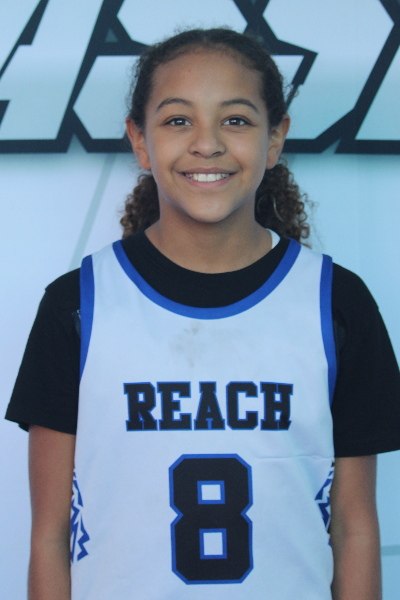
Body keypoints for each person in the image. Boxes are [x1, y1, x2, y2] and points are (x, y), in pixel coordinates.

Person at [5, 28, 400, 600]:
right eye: (177, 120)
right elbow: (49, 536)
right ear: (140, 142)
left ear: (275, 138)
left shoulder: (336, 302)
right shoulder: (77, 305)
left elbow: (355, 528)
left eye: (235, 120)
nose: (207, 144)